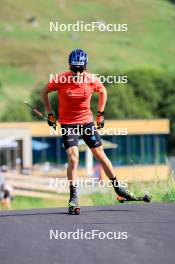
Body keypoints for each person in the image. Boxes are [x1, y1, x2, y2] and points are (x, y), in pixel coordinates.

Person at [41, 48, 136, 213]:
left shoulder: (91, 79)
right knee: (73, 158)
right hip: (68, 123)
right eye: (74, 68)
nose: (77, 72)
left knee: (100, 154)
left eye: (80, 68)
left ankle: (119, 190)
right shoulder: (61, 79)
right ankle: (73, 197)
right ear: (70, 66)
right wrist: (50, 114)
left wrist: (100, 113)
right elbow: (45, 92)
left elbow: (103, 91)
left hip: (86, 122)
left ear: (85, 67)